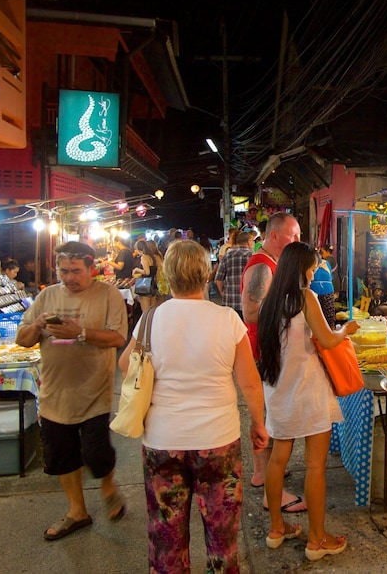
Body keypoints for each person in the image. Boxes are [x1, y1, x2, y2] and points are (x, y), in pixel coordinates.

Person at [118, 240, 268, 573]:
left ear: (168, 276)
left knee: (166, 537)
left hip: (162, 441)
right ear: (206, 273)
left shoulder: (150, 319)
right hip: (218, 442)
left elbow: (126, 365)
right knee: (222, 536)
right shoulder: (227, 319)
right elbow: (249, 381)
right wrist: (258, 423)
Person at [15, 241, 129, 541]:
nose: (68, 277)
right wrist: (38, 324)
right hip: (54, 392)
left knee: (97, 452)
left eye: (76, 271)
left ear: (92, 269)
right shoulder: (46, 296)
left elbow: (118, 338)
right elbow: (23, 339)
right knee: (62, 456)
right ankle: (77, 511)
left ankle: (108, 488)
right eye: (63, 271)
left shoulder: (108, 295)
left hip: (94, 392)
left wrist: (78, 333)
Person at [257, 242, 360, 561]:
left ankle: (277, 528)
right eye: (313, 268)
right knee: (315, 466)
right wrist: (346, 329)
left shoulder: (269, 302)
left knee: (278, 460)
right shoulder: (306, 297)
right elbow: (328, 339)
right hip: (309, 391)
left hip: (278, 392)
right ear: (301, 268)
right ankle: (317, 540)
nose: (314, 273)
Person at [240, 212, 305, 512]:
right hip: (260, 352)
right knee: (269, 415)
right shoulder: (263, 267)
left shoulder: (273, 264)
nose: (297, 242)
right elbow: (250, 312)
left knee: (265, 414)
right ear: (275, 236)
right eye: (293, 236)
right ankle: (266, 479)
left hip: (265, 350)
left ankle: (262, 473)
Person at [213, 230, 253, 318]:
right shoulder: (253, 256)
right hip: (248, 303)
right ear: (248, 242)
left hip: (229, 301)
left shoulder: (227, 255)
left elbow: (219, 279)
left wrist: (222, 292)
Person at [132, 240, 161, 315]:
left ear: (138, 249)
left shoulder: (144, 257)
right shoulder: (151, 257)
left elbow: (147, 272)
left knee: (145, 312)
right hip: (153, 284)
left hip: (144, 285)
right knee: (152, 311)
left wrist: (136, 269)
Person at [310, 246, 336, 327]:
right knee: (325, 317)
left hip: (321, 291)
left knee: (322, 317)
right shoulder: (325, 263)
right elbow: (330, 277)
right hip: (320, 292)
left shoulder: (325, 263)